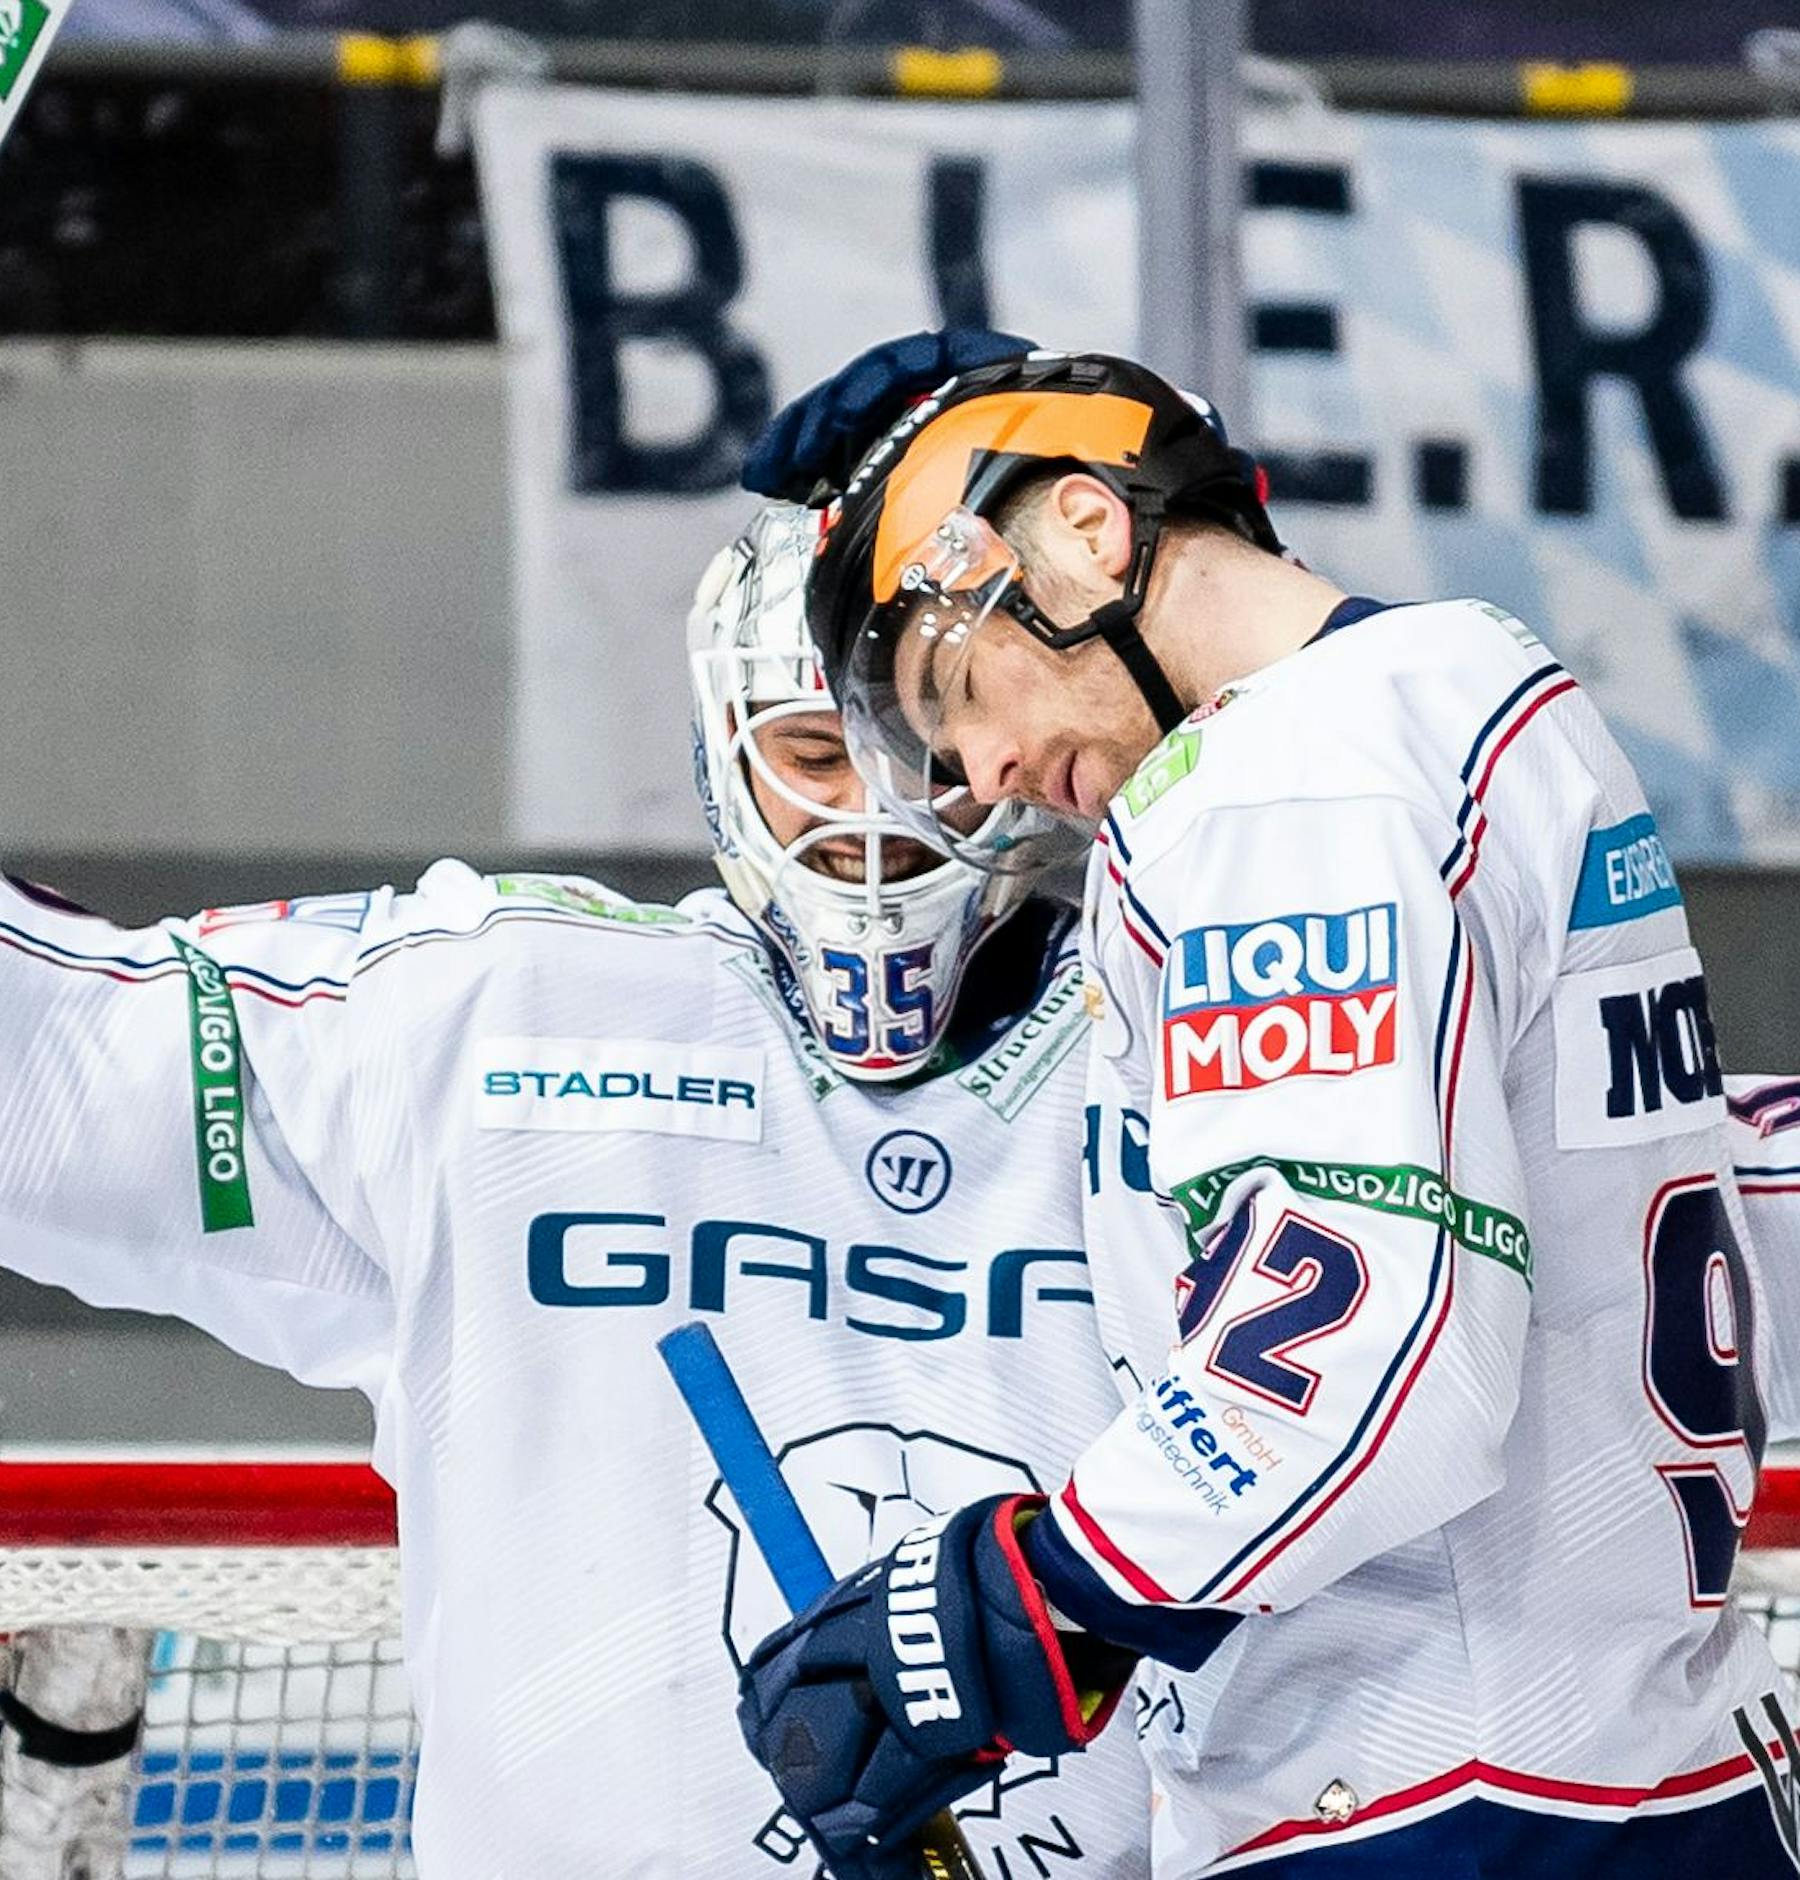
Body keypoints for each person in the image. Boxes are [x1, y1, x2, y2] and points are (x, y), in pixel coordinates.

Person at [0, 503, 1156, 1877]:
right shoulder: (492, 1018)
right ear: (721, 747)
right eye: (816, 755)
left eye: (920, 752)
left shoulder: (1197, 1050)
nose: (874, 824)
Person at [732, 334, 1800, 1875]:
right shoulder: (1481, 695)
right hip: (1644, 1770)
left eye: (956, 684)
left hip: (1439, 1803)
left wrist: (1029, 1600)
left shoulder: (1281, 787)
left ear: (1091, 531)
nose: (982, 767)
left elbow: (1371, 1352)